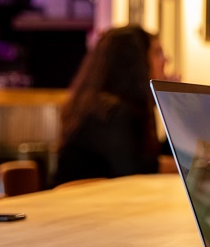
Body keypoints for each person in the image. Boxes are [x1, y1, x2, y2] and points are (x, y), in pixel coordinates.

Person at [53, 25, 171, 186]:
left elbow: (151, 156)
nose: (166, 60)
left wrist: (172, 107)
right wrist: (187, 168)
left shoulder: (119, 106)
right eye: (157, 53)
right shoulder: (109, 111)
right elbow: (133, 169)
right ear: (134, 63)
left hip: (100, 202)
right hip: (75, 205)